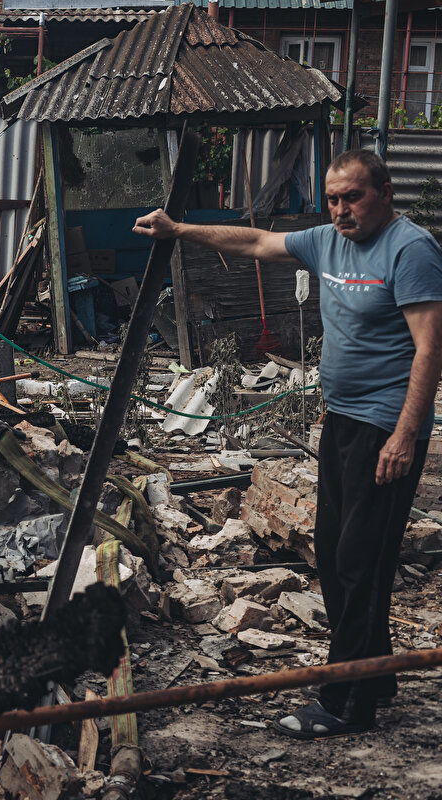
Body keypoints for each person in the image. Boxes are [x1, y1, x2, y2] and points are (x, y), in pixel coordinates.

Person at [133, 149, 442, 739]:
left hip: (387, 427)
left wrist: (406, 435)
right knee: (334, 553)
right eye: (332, 198)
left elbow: (430, 349)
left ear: (384, 192)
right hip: (342, 421)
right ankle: (375, 676)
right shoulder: (326, 240)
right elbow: (252, 242)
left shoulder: (411, 249)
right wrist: (178, 230)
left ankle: (344, 701)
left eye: (352, 196)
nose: (341, 209)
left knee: (359, 560)